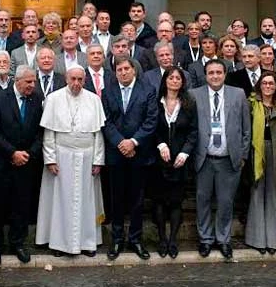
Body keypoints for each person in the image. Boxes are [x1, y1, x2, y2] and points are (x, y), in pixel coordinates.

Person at [36, 66, 106, 257]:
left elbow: (97, 134)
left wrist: (98, 160)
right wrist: (50, 159)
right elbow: (49, 133)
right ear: (66, 78)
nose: (76, 83)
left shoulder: (93, 99)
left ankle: (87, 242)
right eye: (73, 79)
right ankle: (59, 244)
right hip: (61, 156)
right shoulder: (54, 98)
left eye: (80, 80)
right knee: (60, 201)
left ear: (85, 80)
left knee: (87, 200)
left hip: (87, 156)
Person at [190, 59, 251, 260]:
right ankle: (206, 239)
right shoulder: (194, 95)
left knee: (226, 202)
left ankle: (223, 239)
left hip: (229, 159)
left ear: (225, 74)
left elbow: (246, 128)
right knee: (203, 200)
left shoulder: (238, 94)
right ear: (205, 75)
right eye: (211, 72)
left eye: (218, 72)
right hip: (204, 159)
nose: (215, 76)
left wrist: (242, 155)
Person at [0, 66, 43, 267]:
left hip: (26, 163)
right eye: (29, 82)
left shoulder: (36, 99)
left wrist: (28, 154)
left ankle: (18, 243)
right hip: (1, 163)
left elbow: (39, 132)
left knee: (21, 206)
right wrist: (12, 153)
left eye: (34, 82)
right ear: (17, 81)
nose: (32, 86)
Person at [102, 57, 158, 261]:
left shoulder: (147, 90)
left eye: (126, 69)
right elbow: (105, 121)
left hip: (139, 153)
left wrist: (133, 142)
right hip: (116, 153)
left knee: (137, 199)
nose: (123, 72)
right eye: (119, 69)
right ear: (115, 72)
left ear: (134, 70)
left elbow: (151, 121)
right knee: (116, 198)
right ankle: (117, 239)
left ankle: (135, 239)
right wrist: (121, 143)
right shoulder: (108, 91)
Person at [149, 67, 197, 259]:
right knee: (159, 201)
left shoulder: (188, 103)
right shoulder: (155, 102)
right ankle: (161, 239)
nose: (175, 81)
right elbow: (151, 127)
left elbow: (193, 132)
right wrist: (160, 144)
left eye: (178, 78)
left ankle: (173, 240)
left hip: (180, 160)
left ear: (182, 82)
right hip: (159, 160)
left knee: (176, 201)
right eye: (171, 77)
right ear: (165, 80)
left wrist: (185, 153)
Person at [245, 71, 276, 255]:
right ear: (259, 85)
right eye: (264, 83)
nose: (268, 86)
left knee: (273, 194)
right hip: (256, 151)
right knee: (257, 193)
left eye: (271, 83)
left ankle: (273, 239)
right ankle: (257, 239)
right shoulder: (251, 104)